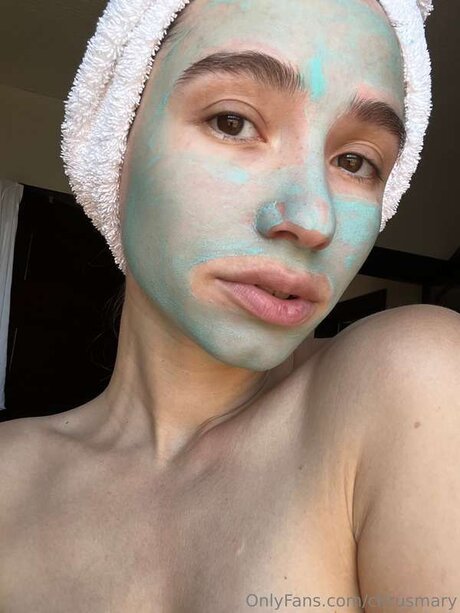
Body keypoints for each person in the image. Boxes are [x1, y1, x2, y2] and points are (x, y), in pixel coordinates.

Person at [1, 0, 459, 611]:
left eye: (355, 162)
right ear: (116, 139)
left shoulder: (412, 383)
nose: (313, 219)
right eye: (233, 122)